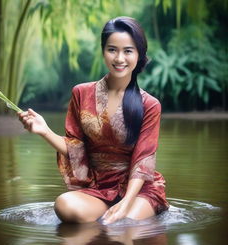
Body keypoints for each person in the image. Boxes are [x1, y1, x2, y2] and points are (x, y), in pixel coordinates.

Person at [18, 16, 169, 225]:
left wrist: (124, 205)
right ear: (103, 51)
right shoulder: (81, 93)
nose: (119, 58)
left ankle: (130, 213)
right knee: (64, 205)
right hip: (99, 187)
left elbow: (143, 161)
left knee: (123, 224)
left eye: (128, 50)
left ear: (139, 54)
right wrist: (44, 130)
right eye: (112, 49)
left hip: (139, 190)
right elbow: (75, 149)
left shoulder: (150, 105)